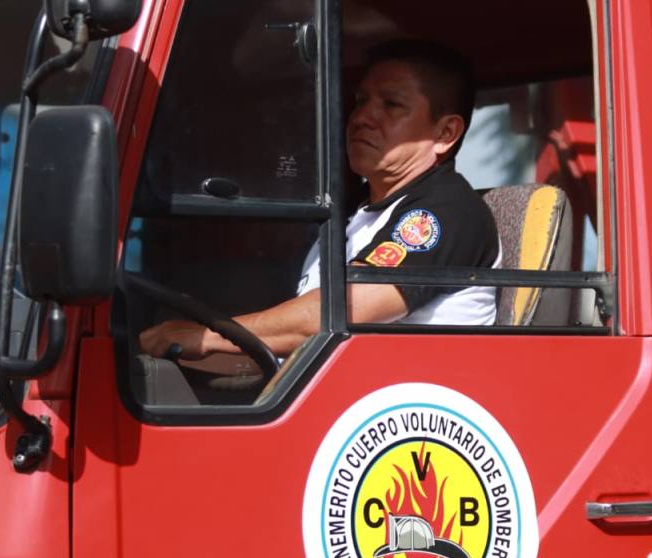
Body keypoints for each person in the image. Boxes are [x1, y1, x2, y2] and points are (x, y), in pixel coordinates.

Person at [139, 40, 500, 361]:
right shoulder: (356, 210)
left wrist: (209, 335)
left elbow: (336, 313)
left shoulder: (445, 212)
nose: (362, 117)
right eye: (361, 101)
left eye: (391, 105)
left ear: (445, 133)